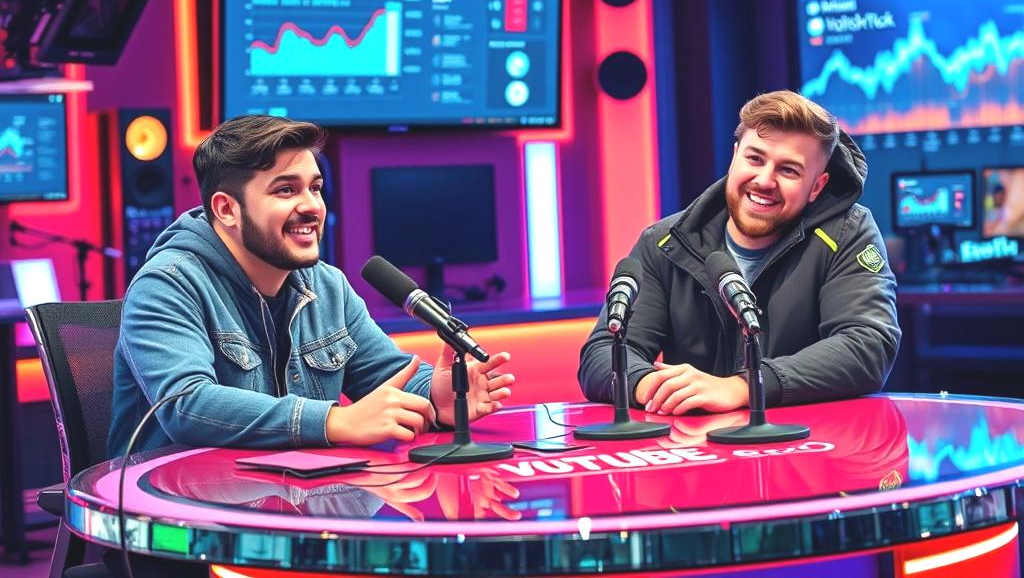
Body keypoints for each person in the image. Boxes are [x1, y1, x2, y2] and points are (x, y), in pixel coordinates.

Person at [109, 115, 513, 456]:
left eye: (315, 188)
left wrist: (438, 397)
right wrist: (334, 422)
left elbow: (389, 376)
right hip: (181, 514)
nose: (311, 206)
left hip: (298, 503)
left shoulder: (327, 286)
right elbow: (185, 405)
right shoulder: (167, 284)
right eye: (286, 190)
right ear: (227, 209)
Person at [578, 90, 900, 415]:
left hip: (812, 438)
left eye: (789, 170)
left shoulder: (847, 233)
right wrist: (652, 386)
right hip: (696, 441)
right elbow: (601, 354)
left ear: (817, 185)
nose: (764, 180)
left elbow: (868, 346)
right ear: (735, 156)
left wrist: (744, 387)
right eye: (755, 159)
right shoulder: (663, 242)